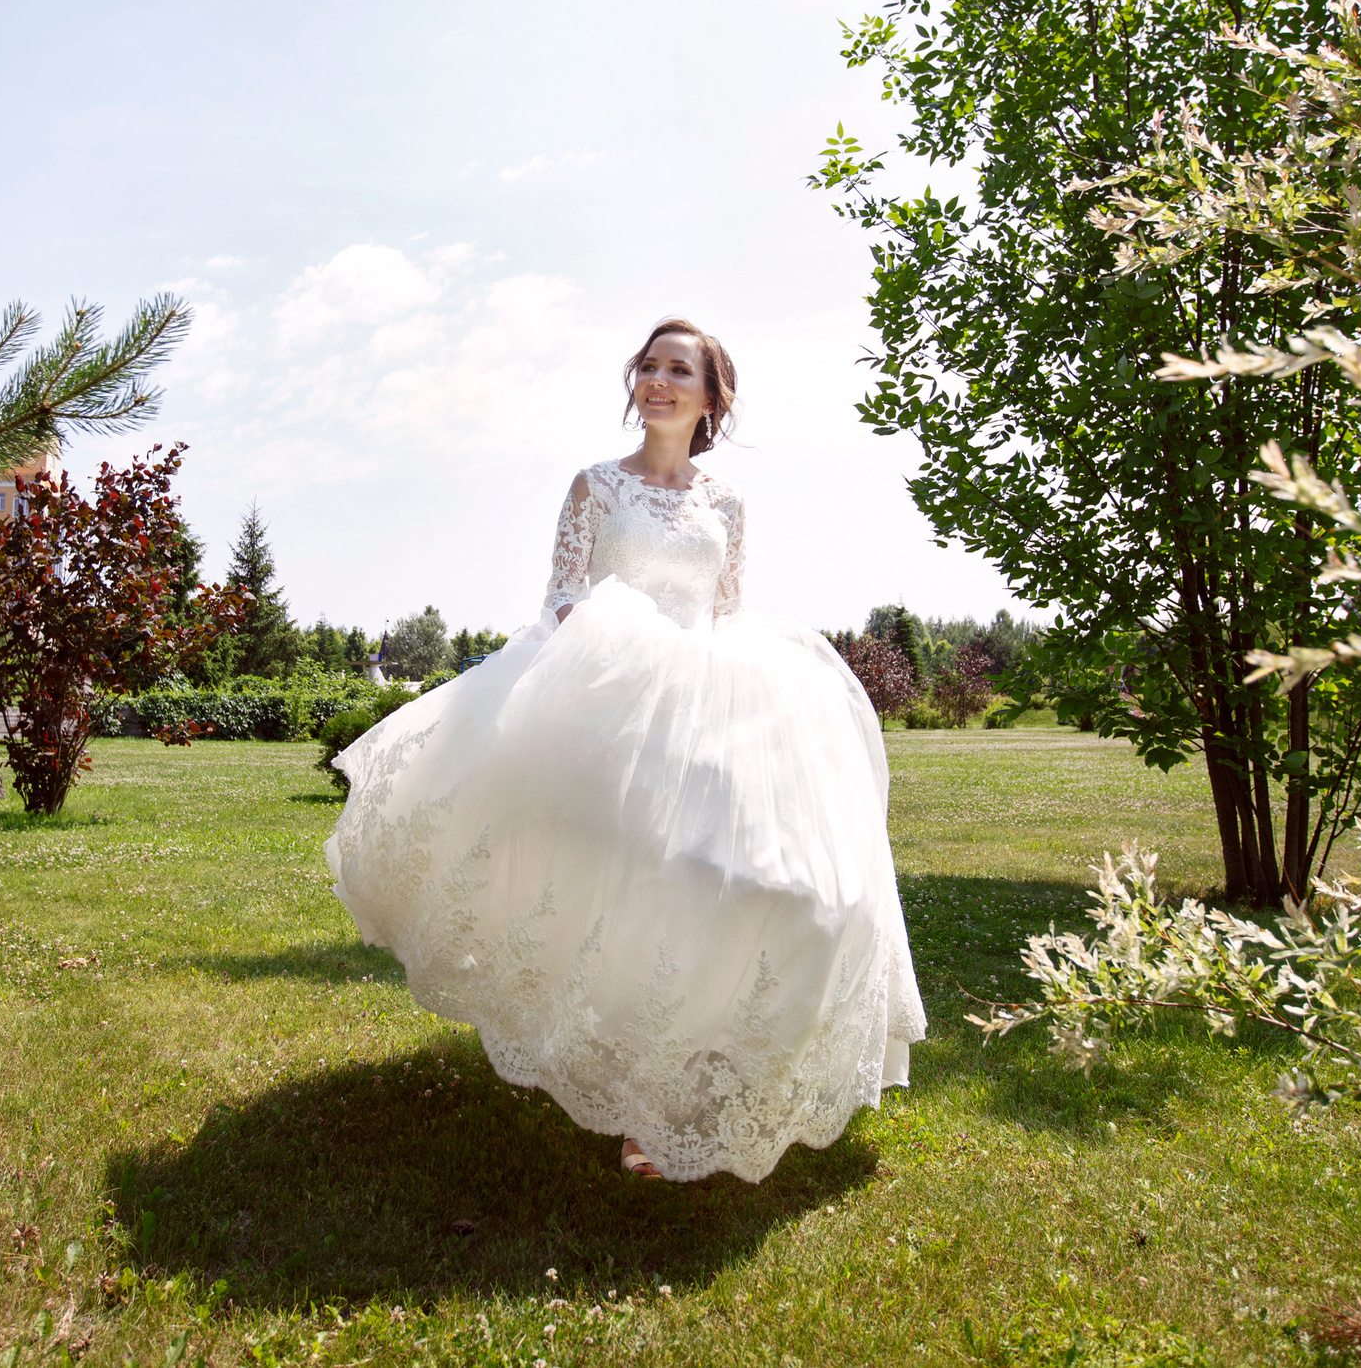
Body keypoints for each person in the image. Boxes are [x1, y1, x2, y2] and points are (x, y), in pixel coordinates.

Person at [326, 317, 925, 1183]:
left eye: (680, 369)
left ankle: (722, 1073)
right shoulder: (596, 487)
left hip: (708, 703)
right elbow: (566, 598)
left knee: (778, 886)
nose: (658, 380)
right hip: (604, 702)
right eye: (648, 365)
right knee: (642, 888)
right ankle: (641, 1103)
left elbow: (725, 612)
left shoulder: (726, 502)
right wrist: (628, 675)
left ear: (712, 397)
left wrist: (717, 704)